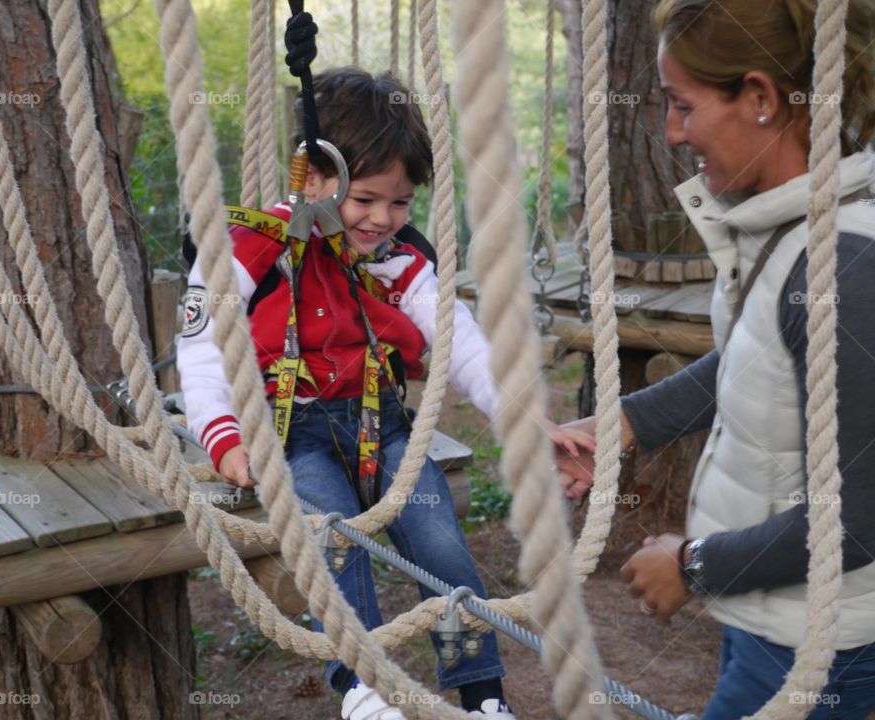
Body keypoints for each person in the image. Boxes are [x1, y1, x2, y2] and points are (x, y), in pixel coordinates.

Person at [179, 67, 592, 720]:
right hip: (294, 433)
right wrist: (225, 439)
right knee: (333, 541)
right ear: (312, 179)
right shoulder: (248, 247)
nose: (382, 219)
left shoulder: (396, 257)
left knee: (442, 546)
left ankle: (482, 694)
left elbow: (460, 342)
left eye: (399, 203)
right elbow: (201, 354)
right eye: (366, 199)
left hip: (382, 426)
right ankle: (363, 687)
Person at [559, 1, 875, 717]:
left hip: (818, 650)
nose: (672, 132)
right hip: (767, 619)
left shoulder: (842, 266)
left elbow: (857, 517)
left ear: (761, 99)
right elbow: (754, 359)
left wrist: (695, 567)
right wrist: (623, 425)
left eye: (683, 105)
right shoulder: (789, 225)